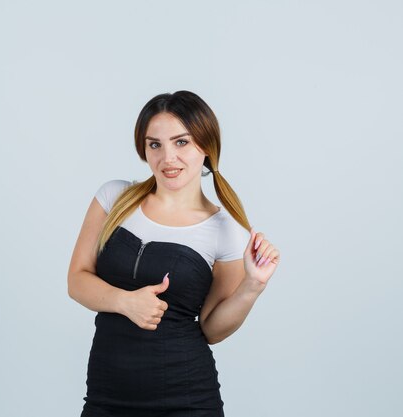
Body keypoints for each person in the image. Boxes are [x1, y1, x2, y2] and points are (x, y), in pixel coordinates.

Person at [67, 90, 280, 417]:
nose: (168, 157)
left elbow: (211, 329)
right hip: (105, 396)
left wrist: (253, 286)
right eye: (156, 144)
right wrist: (126, 302)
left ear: (206, 146)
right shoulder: (113, 198)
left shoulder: (226, 231)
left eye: (181, 142)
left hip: (186, 401)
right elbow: (77, 281)